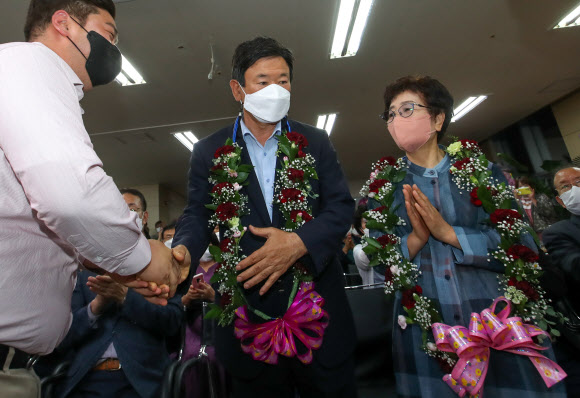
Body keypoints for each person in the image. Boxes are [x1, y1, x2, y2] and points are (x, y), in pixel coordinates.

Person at [0, 1, 190, 395]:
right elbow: (72, 199)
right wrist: (144, 259)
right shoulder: (32, 67)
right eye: (108, 33)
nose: (114, 49)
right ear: (64, 24)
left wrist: (111, 265)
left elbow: (28, 220)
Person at [173, 37, 357, 398]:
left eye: (284, 80)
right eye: (263, 81)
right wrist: (182, 250)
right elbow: (197, 214)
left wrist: (298, 243)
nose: (276, 90)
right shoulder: (209, 151)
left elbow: (340, 208)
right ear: (238, 89)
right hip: (247, 326)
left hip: (321, 319)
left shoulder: (315, 141)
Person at [372, 75, 566, 397]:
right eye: (390, 114)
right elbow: (383, 264)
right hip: (425, 325)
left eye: (406, 109)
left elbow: (521, 246)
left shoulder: (481, 172)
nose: (396, 121)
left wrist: (449, 234)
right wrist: (417, 239)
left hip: (496, 316)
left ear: (437, 118)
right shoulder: (385, 187)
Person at [56, 269, 183, 398]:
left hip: (140, 380)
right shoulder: (84, 276)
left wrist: (125, 297)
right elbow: (63, 337)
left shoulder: (157, 270)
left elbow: (172, 322)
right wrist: (95, 307)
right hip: (86, 377)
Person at [543, 166, 580, 396]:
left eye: (578, 181)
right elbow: (575, 267)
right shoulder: (558, 233)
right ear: (560, 200)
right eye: (566, 186)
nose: (574, 188)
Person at [179, 241, 230, 398]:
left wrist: (213, 297)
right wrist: (187, 298)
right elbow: (172, 303)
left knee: (218, 358)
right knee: (190, 357)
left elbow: (235, 304)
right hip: (191, 331)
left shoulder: (225, 268)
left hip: (219, 331)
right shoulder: (186, 270)